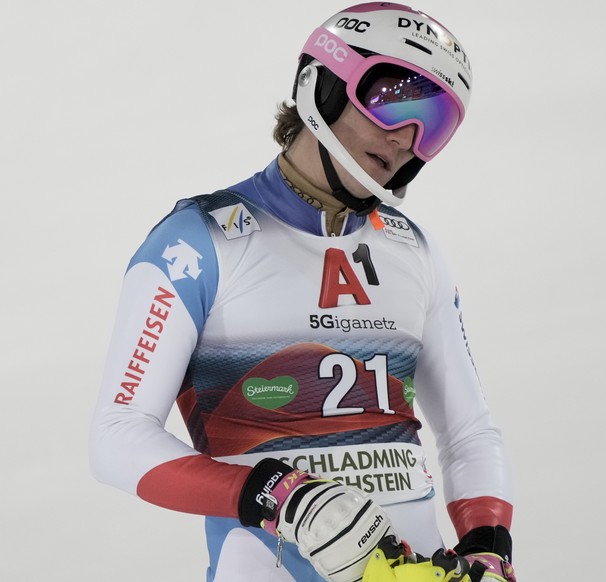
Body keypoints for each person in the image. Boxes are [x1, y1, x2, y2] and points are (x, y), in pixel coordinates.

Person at [89, 3, 516, 581]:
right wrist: (280, 493)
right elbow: (116, 438)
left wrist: (488, 545)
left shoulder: (415, 249)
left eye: (434, 122)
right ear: (322, 82)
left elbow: (469, 430)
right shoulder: (196, 240)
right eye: (393, 99)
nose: (407, 137)